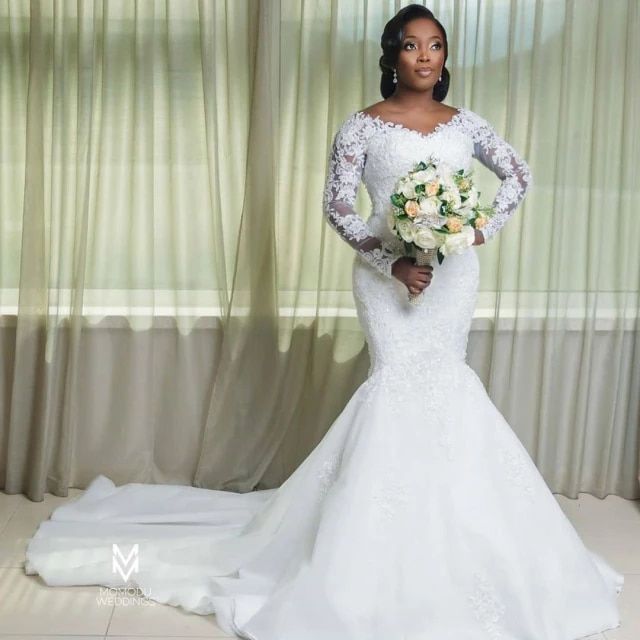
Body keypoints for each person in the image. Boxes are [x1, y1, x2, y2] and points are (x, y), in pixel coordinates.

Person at [24, 5, 623, 639]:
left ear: (446, 57)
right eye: (412, 46)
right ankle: (364, 553)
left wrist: (474, 230)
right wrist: (393, 261)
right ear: (391, 55)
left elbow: (518, 176)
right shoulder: (361, 127)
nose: (425, 57)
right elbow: (338, 206)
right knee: (395, 390)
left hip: (450, 280)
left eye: (436, 46)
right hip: (387, 282)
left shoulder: (467, 124)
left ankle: (450, 539)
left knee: (449, 387)